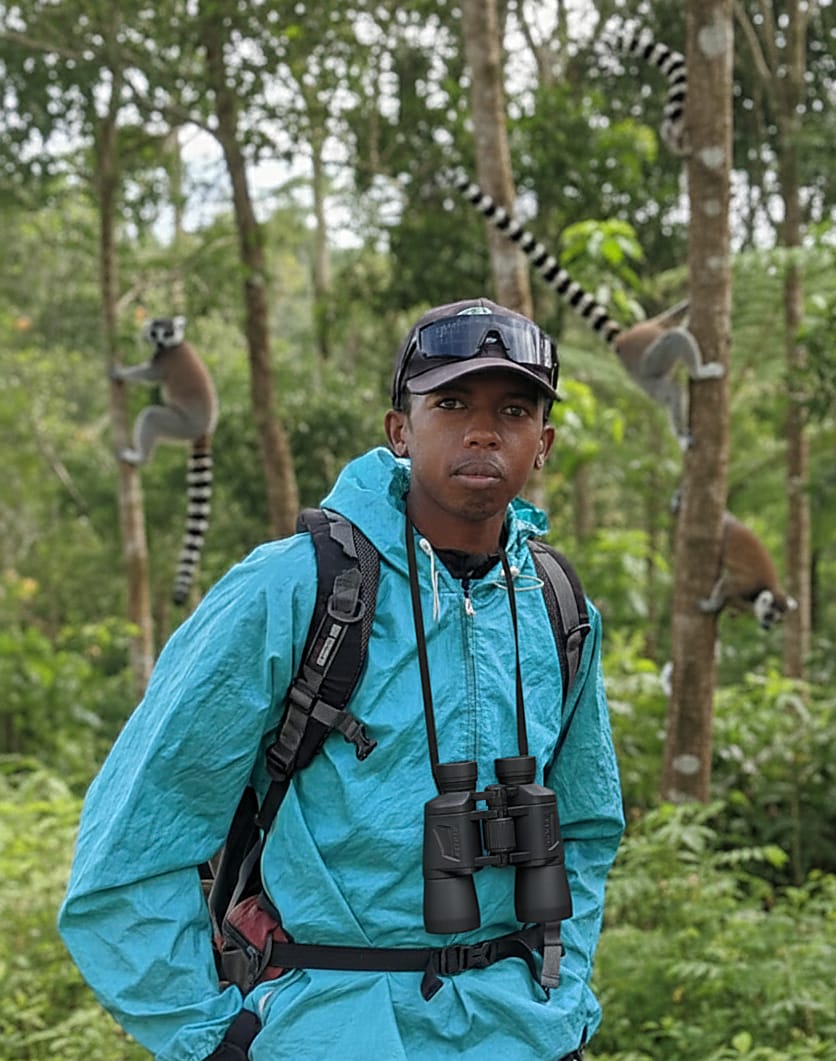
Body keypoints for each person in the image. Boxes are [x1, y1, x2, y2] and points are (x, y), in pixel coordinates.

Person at [60, 297, 624, 1061]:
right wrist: (214, 1039)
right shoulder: (296, 588)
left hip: (523, 1032)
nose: (483, 430)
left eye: (514, 410)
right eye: (451, 403)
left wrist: (564, 987)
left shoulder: (558, 607)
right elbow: (136, 840)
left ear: (544, 442)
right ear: (399, 430)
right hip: (326, 1029)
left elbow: (586, 826)